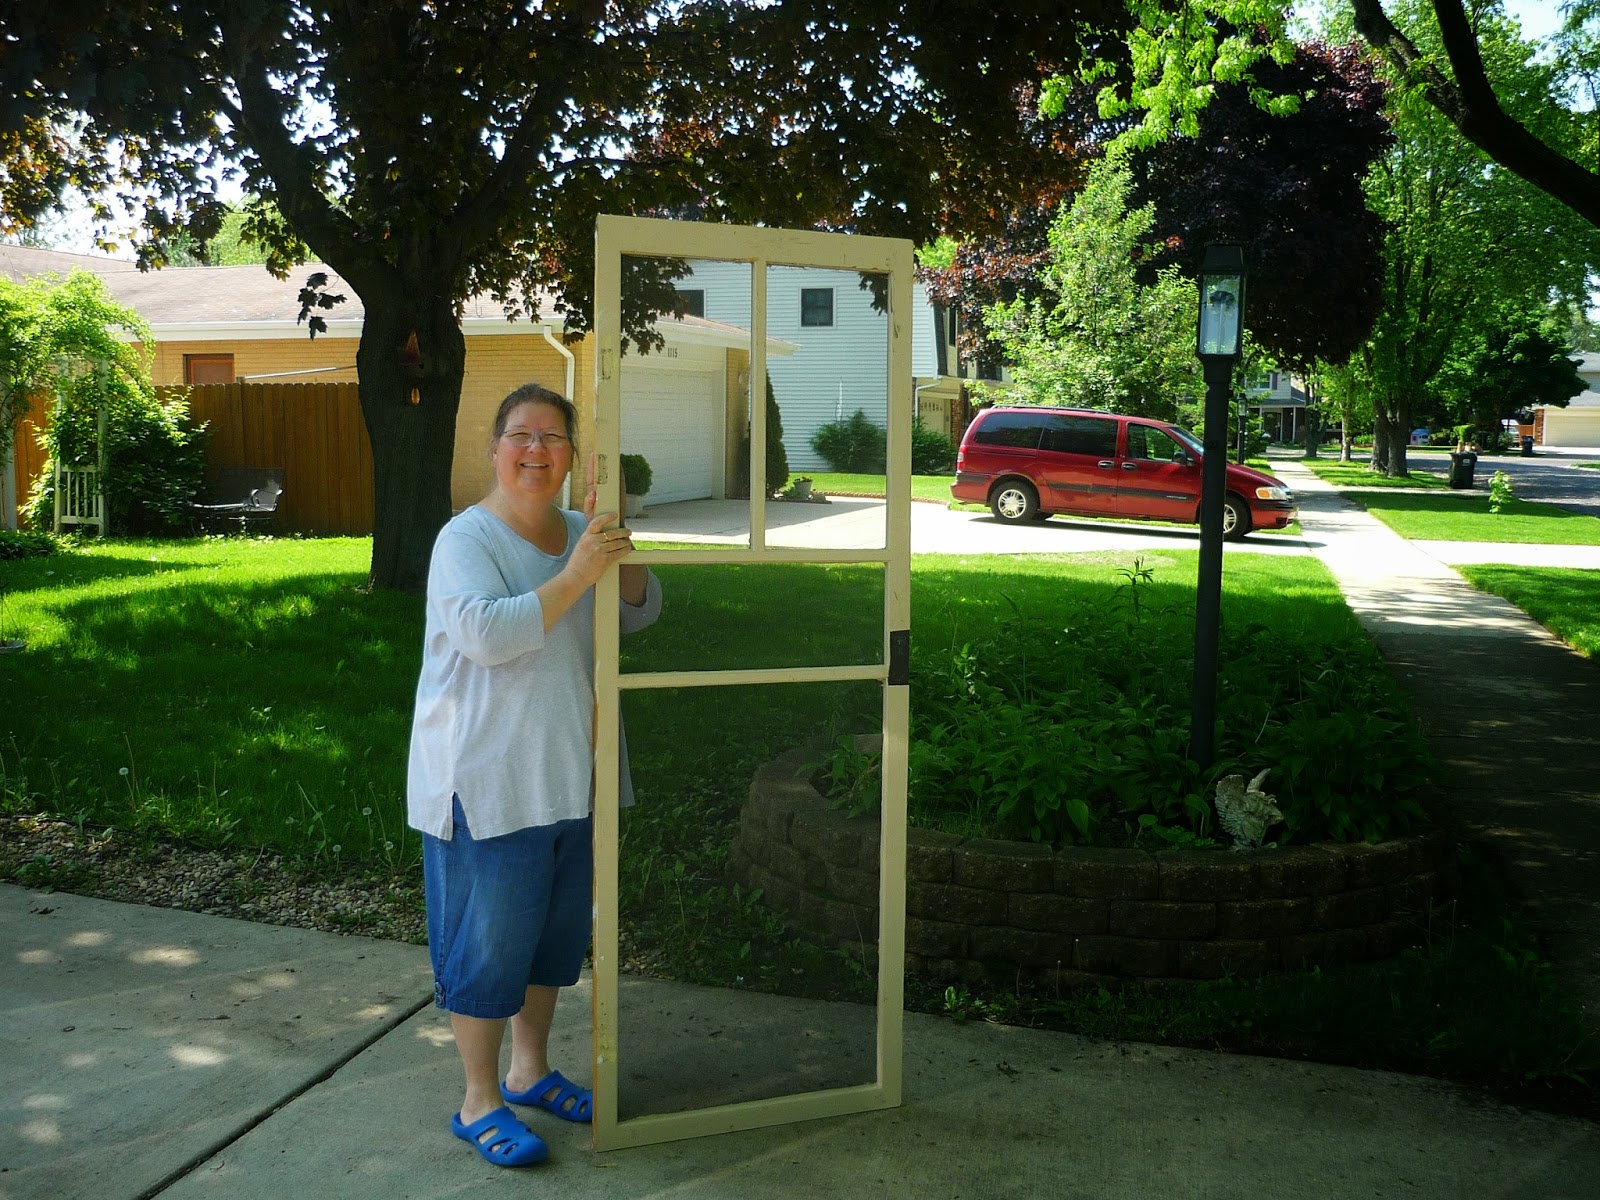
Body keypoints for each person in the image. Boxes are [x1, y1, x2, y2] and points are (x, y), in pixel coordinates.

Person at [407, 383, 661, 1167]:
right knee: (487, 950)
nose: (536, 449)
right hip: (487, 781)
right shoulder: (466, 538)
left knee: (550, 943)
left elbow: (640, 612)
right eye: (522, 434)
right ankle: (477, 1100)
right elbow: (485, 634)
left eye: (553, 437)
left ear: (572, 455)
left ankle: (529, 1071)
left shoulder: (583, 532)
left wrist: (616, 539)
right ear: (495, 449)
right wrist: (579, 571)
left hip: (571, 774)